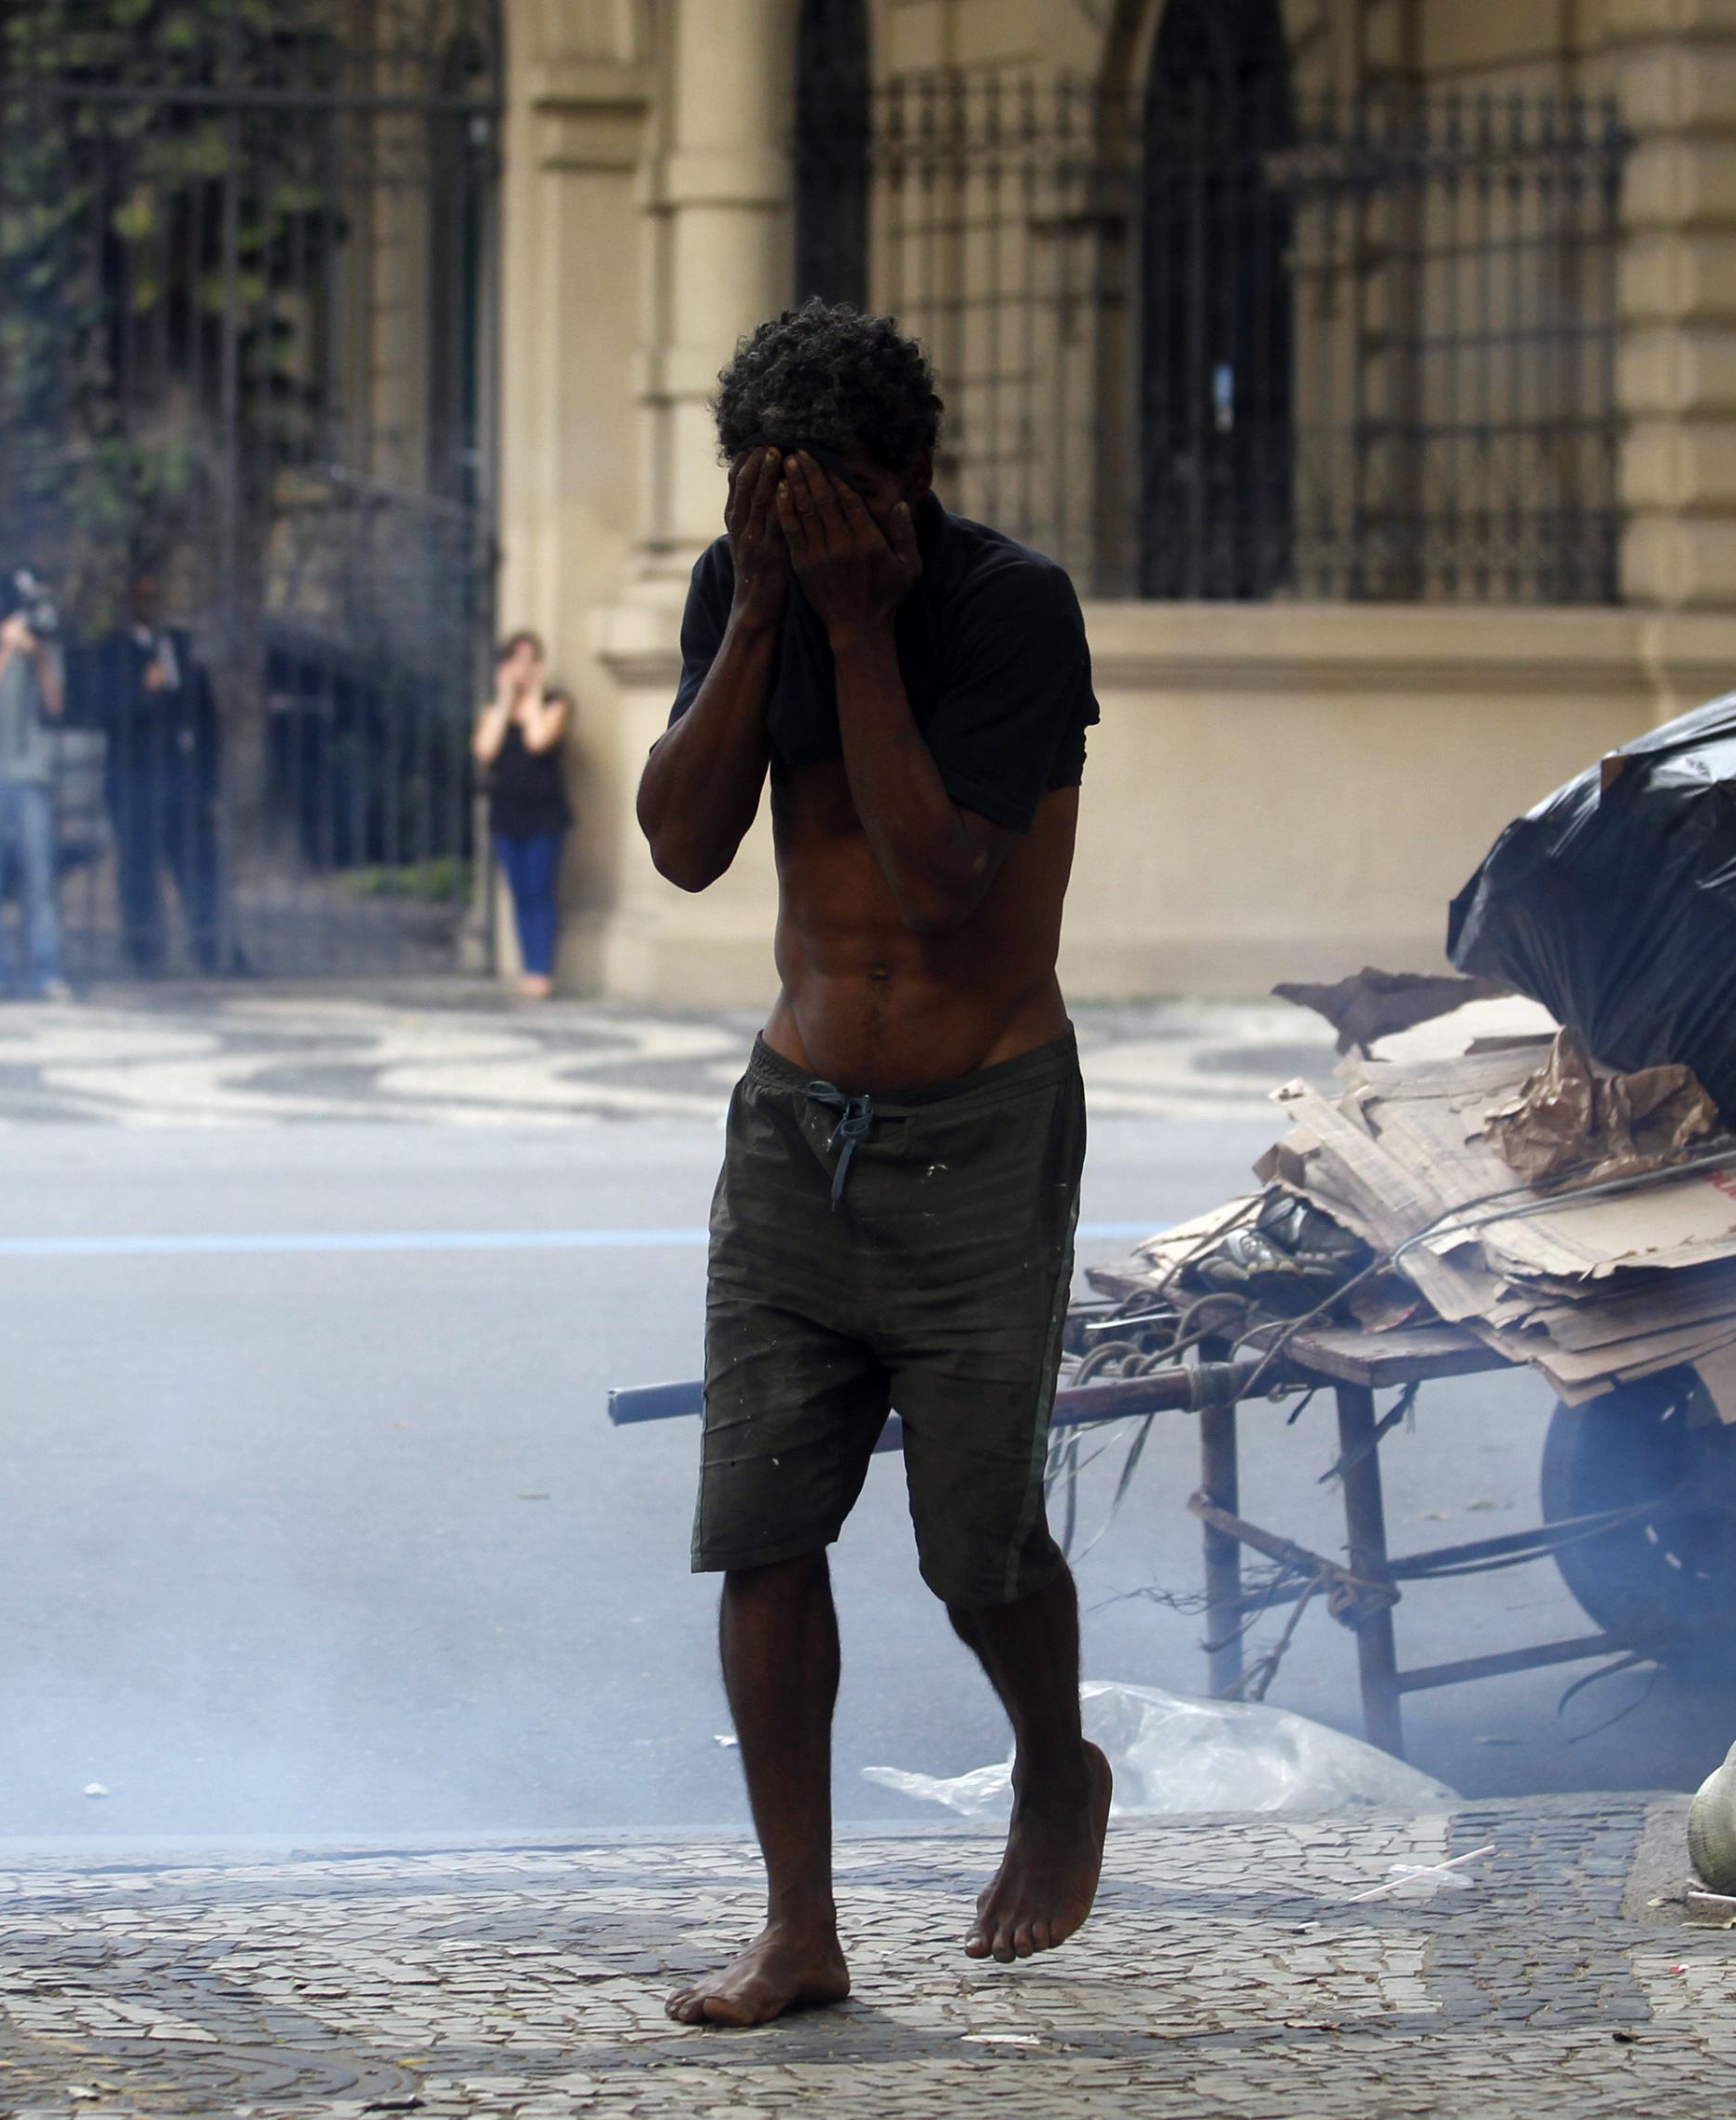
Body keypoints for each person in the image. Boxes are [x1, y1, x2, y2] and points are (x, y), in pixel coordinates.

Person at [635, 301, 1107, 2027]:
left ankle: (1057, 1768)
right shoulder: (743, 586)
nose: (819, 535)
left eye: (842, 505)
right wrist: (764, 608)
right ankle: (799, 1927)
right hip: (796, 1123)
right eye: (778, 507)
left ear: (917, 474)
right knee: (763, 1531)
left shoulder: (1006, 608)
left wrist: (854, 629)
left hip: (982, 1126)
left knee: (975, 1549)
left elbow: (947, 886)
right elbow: (686, 845)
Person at [85, 573, 227, 975]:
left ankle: (214, 950)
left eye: (155, 596)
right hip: (135, 779)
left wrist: (207, 777)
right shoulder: (112, 651)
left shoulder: (180, 647)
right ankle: (144, 952)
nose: (150, 604)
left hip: (183, 779)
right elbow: (105, 712)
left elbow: (204, 713)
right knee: (139, 869)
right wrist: (143, 690)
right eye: (142, 596)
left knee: (200, 865)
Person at [0, 568, 73, 1001]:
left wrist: (38, 656)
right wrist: (4, 651)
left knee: (40, 879)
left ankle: (45, 971)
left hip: (31, 777)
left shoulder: (43, 648)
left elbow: (55, 704)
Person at [473, 631, 573, 997]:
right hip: (506, 816)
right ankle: (528, 965)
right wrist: (503, 701)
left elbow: (538, 740)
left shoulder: (555, 704)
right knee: (519, 894)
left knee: (539, 891)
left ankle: (539, 970)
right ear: (504, 666)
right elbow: (485, 750)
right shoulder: (492, 710)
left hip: (545, 816)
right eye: (516, 660)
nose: (524, 668)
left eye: (532, 660)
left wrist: (532, 697)